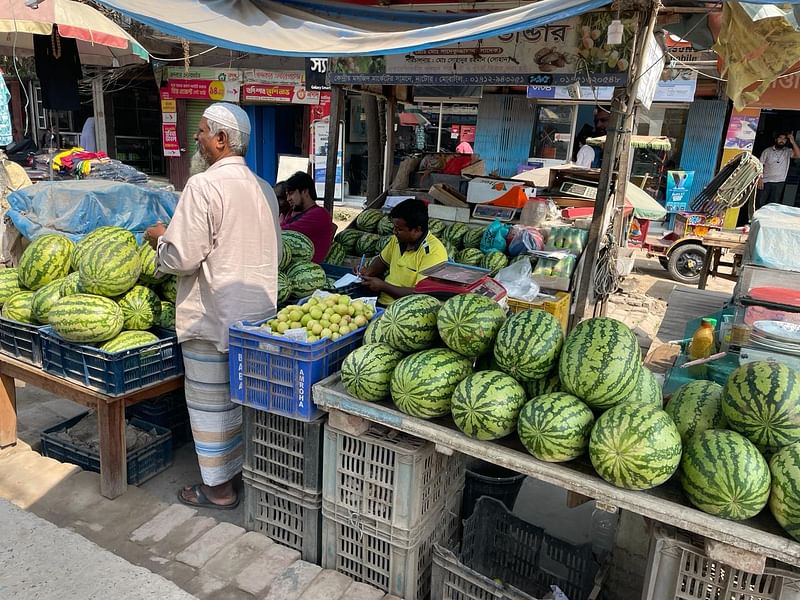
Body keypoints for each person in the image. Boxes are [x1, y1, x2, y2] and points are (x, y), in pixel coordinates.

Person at [145, 102, 281, 510]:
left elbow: (182, 257)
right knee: (244, 402)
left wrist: (159, 238)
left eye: (202, 131)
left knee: (210, 404)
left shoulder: (203, 185)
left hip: (213, 316)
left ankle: (219, 490)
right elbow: (274, 252)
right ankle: (239, 473)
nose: (197, 138)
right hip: (258, 319)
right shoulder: (264, 188)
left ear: (221, 140)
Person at [357, 198, 448, 306]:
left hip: (406, 311)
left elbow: (420, 295)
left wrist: (383, 286)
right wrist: (368, 271)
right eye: (394, 227)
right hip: (381, 302)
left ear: (416, 229)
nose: (394, 232)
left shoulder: (433, 252)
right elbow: (381, 261)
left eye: (399, 229)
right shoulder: (397, 240)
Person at [280, 171, 334, 263]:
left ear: (305, 191)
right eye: (287, 195)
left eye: (291, 193)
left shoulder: (319, 215)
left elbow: (280, 232)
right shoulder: (292, 212)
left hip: (308, 271)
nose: (288, 198)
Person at [758, 132, 800, 207]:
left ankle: (770, 219)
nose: (782, 140)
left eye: (784, 139)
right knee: (760, 203)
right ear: (776, 139)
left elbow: (798, 155)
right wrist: (760, 179)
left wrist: (793, 141)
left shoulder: (788, 151)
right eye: (780, 138)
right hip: (765, 181)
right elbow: (759, 165)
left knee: (774, 205)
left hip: (779, 182)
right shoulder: (767, 151)